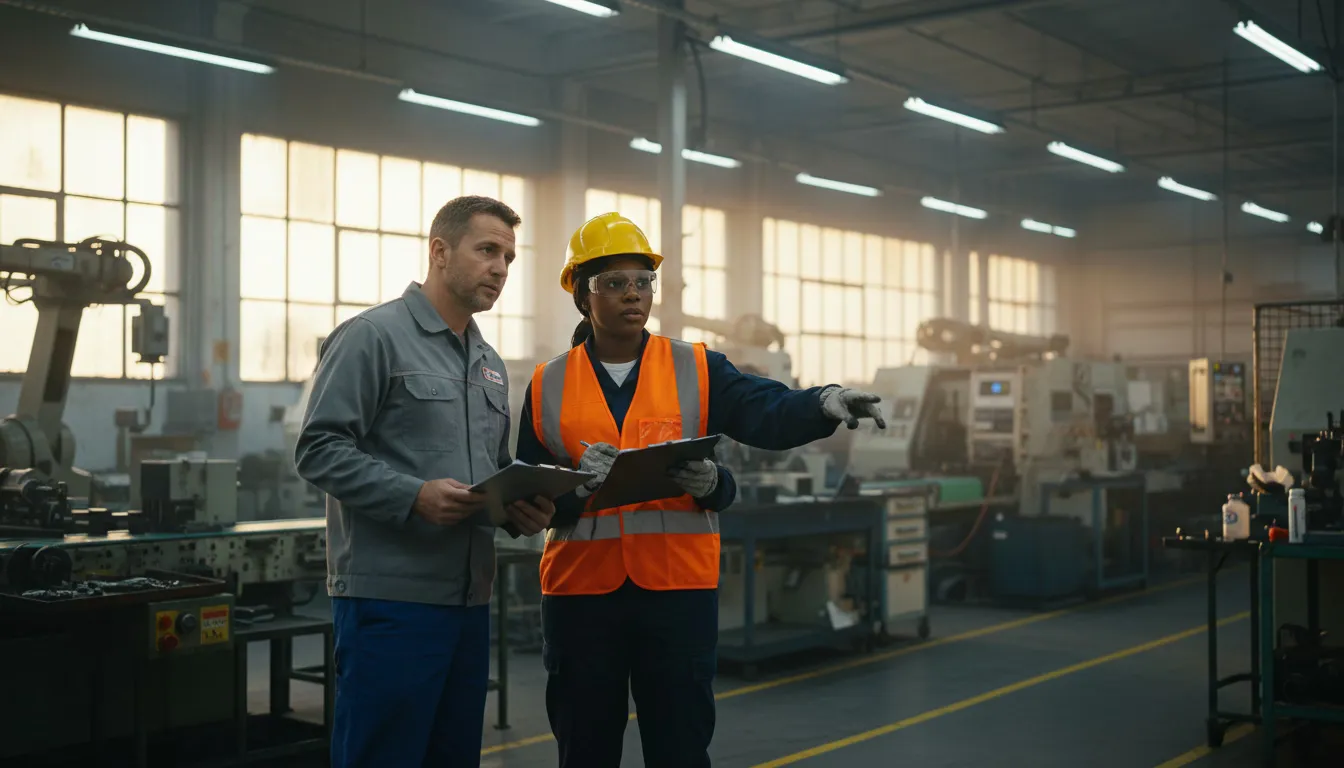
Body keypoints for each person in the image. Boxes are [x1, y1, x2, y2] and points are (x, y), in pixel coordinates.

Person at [515, 211, 887, 768]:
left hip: (676, 592)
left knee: (680, 747)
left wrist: (822, 402)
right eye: (614, 283)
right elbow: (530, 495)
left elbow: (766, 409)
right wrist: (576, 487)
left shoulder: (695, 366)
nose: (633, 295)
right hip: (580, 599)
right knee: (585, 748)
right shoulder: (548, 383)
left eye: (643, 282)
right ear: (582, 296)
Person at [294, 195, 556, 768]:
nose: (501, 268)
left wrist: (515, 509)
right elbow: (318, 449)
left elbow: (487, 470)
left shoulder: (486, 361)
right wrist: (411, 496)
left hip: (467, 601)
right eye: (487, 250)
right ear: (440, 252)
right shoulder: (372, 337)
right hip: (390, 602)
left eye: (509, 257)